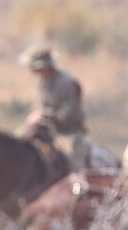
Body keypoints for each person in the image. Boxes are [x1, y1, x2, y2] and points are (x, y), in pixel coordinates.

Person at [18, 43, 89, 172]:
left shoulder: (66, 82)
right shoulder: (42, 82)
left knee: (74, 167)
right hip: (43, 130)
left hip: (67, 133)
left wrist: (44, 115)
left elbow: (69, 115)